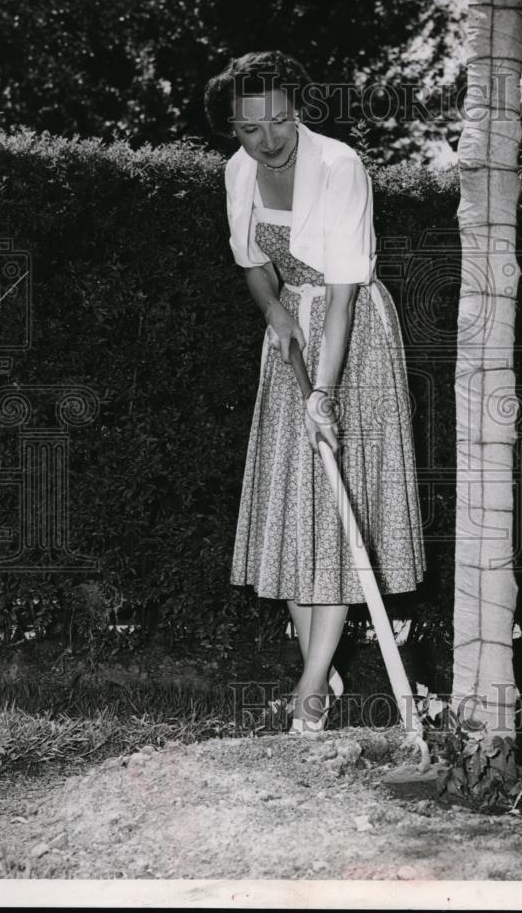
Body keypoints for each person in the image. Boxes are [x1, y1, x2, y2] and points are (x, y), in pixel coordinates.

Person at [204, 51, 425, 733]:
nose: (268, 141)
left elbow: (341, 293)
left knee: (332, 509)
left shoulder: (338, 166)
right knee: (294, 512)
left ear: (297, 108)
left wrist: (323, 393)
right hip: (289, 342)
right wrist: (272, 314)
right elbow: (254, 269)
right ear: (231, 132)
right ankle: (317, 672)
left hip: (348, 341)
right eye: (249, 129)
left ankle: (308, 692)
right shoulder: (237, 174)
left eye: (279, 121)